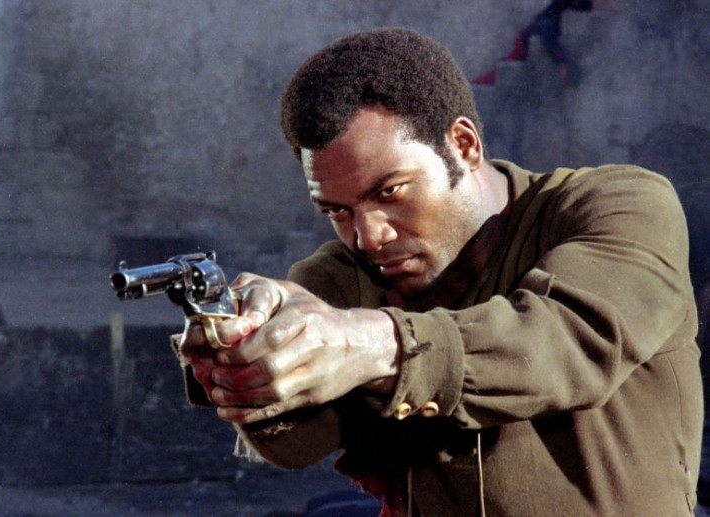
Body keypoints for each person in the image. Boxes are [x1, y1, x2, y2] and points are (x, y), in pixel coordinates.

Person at [177, 27, 703, 516]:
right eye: (337, 211)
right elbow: (298, 442)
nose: (369, 236)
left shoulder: (620, 206)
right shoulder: (349, 274)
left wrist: (371, 344)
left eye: (390, 192)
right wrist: (246, 362)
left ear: (464, 145)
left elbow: (565, 340)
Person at [473, 0, 593, 87]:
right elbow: (548, 41)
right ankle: (474, 84)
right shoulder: (553, 14)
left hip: (526, 38)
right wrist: (561, 63)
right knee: (500, 72)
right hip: (523, 43)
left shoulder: (560, 10)